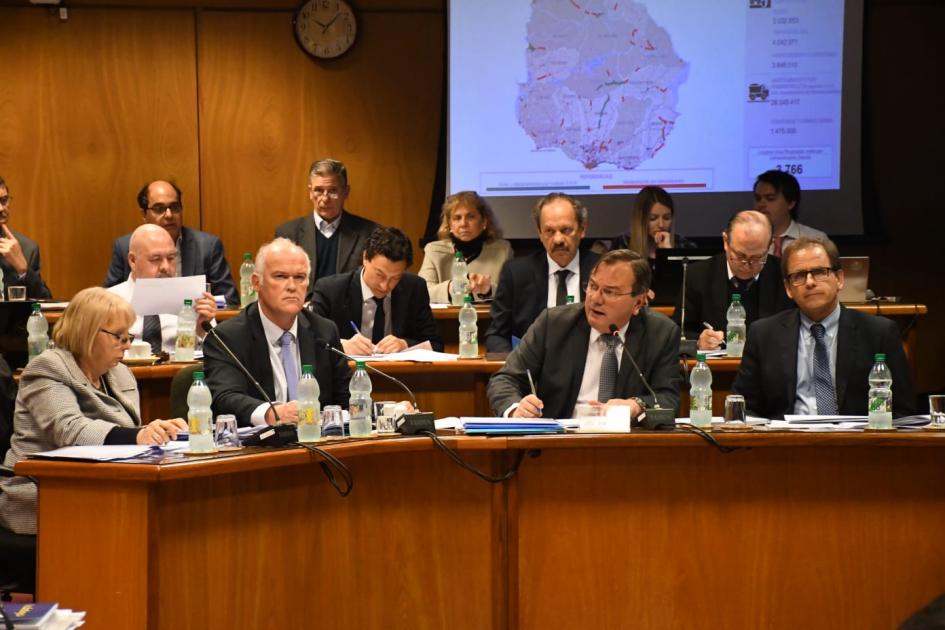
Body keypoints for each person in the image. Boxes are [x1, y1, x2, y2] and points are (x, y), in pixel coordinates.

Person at [0, 288, 186, 535]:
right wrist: (139, 435)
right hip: (43, 494)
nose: (127, 345)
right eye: (119, 336)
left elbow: (126, 435)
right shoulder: (46, 367)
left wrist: (159, 432)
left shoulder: (121, 373)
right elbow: (70, 430)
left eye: (128, 336)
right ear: (87, 332)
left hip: (103, 486)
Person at [733, 237, 915, 419]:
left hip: (854, 435)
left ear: (839, 279)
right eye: (799, 276)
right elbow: (742, 407)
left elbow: (902, 410)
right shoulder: (763, 334)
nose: (810, 282)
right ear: (788, 288)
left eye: (820, 272)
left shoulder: (879, 333)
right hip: (787, 435)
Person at [488, 249, 682, 420]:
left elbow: (668, 399)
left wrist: (636, 405)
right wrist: (517, 409)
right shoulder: (554, 324)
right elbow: (505, 379)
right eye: (593, 286)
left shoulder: (660, 333)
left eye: (610, 292)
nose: (595, 299)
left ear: (638, 302)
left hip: (627, 442)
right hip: (559, 440)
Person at [203, 238, 351, 427]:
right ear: (256, 282)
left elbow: (347, 397)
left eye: (300, 277)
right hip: (262, 442)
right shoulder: (227, 337)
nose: (292, 286)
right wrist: (272, 413)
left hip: (316, 439)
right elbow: (225, 397)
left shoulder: (324, 331)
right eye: (280, 276)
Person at [485, 193, 600, 353]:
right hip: (532, 365)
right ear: (540, 233)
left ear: (582, 230)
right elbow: (496, 335)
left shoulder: (602, 270)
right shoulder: (517, 273)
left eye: (566, 230)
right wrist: (514, 363)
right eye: (549, 231)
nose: (558, 239)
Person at [103, 180, 239, 306]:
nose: (169, 215)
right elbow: (107, 300)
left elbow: (230, 299)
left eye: (174, 207)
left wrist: (207, 304)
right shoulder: (125, 246)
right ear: (144, 214)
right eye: (159, 208)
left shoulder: (207, 246)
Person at [674, 210, 795, 350]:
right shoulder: (698, 276)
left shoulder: (783, 274)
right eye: (740, 255)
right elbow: (680, 332)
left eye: (757, 257)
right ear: (726, 241)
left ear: (770, 245)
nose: (747, 265)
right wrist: (699, 342)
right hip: (717, 362)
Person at [312, 227, 443, 355]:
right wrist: (341, 345)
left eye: (395, 278)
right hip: (348, 368)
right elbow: (311, 339)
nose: (384, 286)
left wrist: (405, 344)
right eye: (380, 274)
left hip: (396, 368)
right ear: (365, 258)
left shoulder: (414, 288)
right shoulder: (330, 290)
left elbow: (436, 344)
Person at [108, 224, 218, 355]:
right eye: (156, 259)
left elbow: (215, 355)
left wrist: (200, 332)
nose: (166, 267)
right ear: (133, 261)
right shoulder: (108, 302)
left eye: (171, 258)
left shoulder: (194, 299)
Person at [275, 159, 379, 297]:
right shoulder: (288, 234)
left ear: (346, 192)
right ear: (310, 192)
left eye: (333, 191)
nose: (325, 199)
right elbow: (280, 284)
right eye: (318, 190)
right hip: (302, 308)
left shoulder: (369, 233)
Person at [418, 191, 512, 302]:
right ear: (450, 225)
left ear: (484, 222)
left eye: (470, 217)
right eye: (457, 218)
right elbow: (421, 292)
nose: (463, 224)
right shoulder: (434, 251)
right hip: (445, 313)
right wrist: (450, 288)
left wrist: (489, 290)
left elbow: (512, 293)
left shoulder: (502, 251)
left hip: (487, 314)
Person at [595, 186, 696, 264]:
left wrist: (668, 254)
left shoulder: (683, 246)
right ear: (641, 219)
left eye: (666, 218)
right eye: (653, 218)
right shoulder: (622, 246)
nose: (661, 225)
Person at [753, 170, 827, 257]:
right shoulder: (747, 240)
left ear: (790, 203)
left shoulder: (816, 240)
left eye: (770, 198)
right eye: (758, 199)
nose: (761, 204)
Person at [0, 176, 53, 299]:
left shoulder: (27, 249)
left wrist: (24, 271)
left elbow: (43, 303)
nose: (1, 208)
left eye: (4, 200)